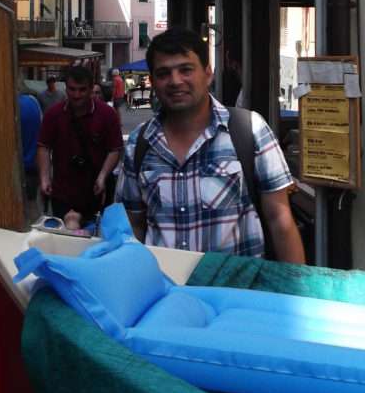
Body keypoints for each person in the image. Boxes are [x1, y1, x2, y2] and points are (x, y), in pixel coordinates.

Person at [116, 28, 305, 262]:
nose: (175, 81)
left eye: (186, 69)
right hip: (166, 293)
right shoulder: (139, 143)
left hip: (237, 292)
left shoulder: (250, 130)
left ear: (208, 74)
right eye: (164, 73)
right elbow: (134, 226)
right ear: (153, 82)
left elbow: (280, 219)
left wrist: (295, 285)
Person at [37, 65, 123, 224]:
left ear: (91, 89)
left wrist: (103, 176)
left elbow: (115, 149)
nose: (76, 95)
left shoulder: (107, 114)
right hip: (62, 192)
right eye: (72, 89)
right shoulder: (53, 114)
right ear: (66, 88)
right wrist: (44, 178)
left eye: (82, 90)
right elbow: (43, 146)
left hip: (96, 191)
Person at [18, 84, 43, 221]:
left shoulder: (11, 106)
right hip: (33, 162)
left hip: (16, 165)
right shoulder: (33, 103)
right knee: (32, 203)